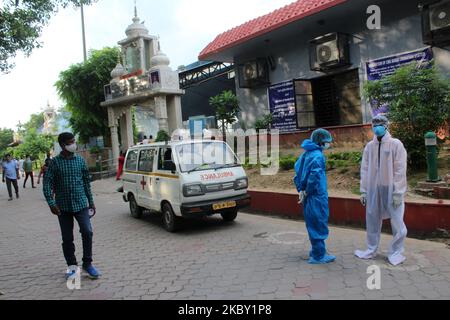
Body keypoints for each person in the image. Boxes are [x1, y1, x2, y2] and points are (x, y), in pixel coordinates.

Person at [43, 132, 100, 280]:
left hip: (81, 204)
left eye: (74, 141)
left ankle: (88, 263)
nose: (74, 144)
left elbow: (86, 182)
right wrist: (51, 203)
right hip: (63, 207)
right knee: (67, 238)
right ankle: (72, 266)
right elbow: (47, 183)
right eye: (70, 142)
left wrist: (91, 202)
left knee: (87, 232)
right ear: (62, 145)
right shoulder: (55, 163)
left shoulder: (80, 161)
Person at [355, 115, 408, 266]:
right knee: (372, 218)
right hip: (373, 189)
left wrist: (398, 191)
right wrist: (364, 190)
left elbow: (400, 169)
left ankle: (396, 251)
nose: (376, 127)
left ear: (386, 126)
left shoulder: (395, 144)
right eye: (374, 124)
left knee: (397, 221)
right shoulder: (369, 147)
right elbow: (364, 169)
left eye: (380, 124)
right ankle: (371, 249)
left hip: (391, 189)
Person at [294, 129, 336, 264]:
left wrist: (301, 190)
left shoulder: (306, 154)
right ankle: (319, 256)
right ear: (321, 142)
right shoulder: (318, 156)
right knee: (319, 223)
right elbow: (315, 176)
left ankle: (316, 251)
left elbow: (297, 171)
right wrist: (308, 190)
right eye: (327, 142)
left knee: (312, 223)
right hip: (316, 195)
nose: (328, 144)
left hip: (308, 195)